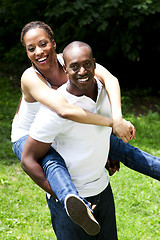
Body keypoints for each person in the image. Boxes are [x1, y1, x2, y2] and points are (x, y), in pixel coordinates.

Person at [22, 41, 118, 240]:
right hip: (71, 204)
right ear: (65, 69)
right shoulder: (54, 109)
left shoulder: (102, 90)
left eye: (87, 64)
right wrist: (61, 196)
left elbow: (98, 129)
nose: (82, 71)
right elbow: (28, 159)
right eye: (74, 66)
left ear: (94, 64)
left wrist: (109, 151)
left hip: (102, 189)